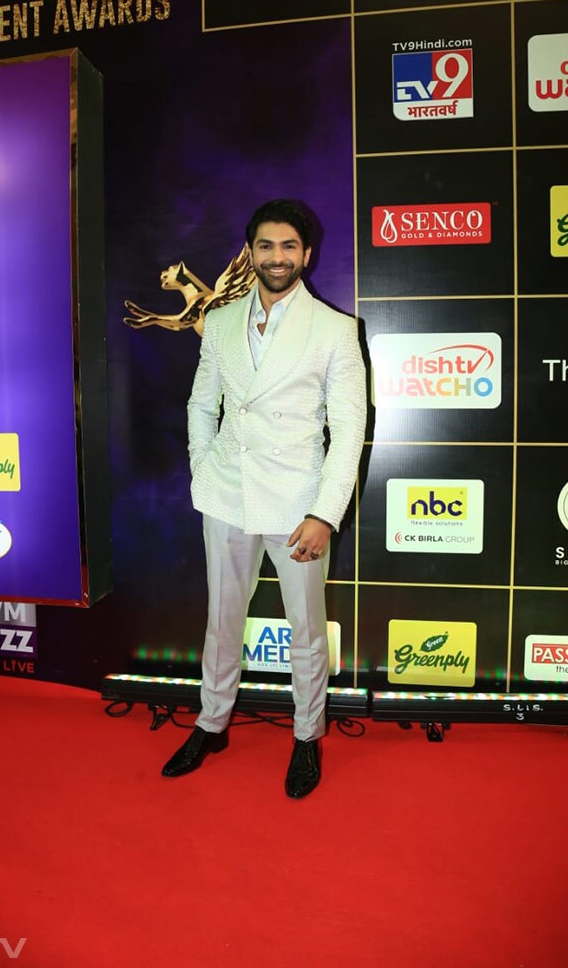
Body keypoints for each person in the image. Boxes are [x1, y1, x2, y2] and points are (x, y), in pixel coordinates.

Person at [161, 199, 366, 797]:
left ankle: (307, 735)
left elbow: (349, 429)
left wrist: (325, 512)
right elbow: (203, 404)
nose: (278, 257)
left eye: (289, 246)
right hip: (226, 495)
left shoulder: (334, 330)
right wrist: (204, 467)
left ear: (307, 254)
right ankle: (212, 722)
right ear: (250, 252)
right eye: (267, 246)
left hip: (298, 505)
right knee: (221, 622)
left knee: (305, 628)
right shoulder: (220, 323)